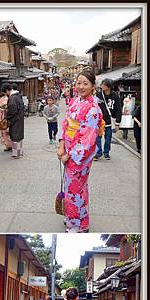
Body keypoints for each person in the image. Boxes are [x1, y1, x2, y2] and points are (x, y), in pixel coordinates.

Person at [56, 70, 102, 233]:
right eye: (78, 83)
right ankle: (73, 217)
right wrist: (61, 145)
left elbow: (88, 138)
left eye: (85, 83)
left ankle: (78, 224)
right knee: (73, 187)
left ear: (92, 86)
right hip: (68, 149)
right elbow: (66, 123)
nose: (81, 87)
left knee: (75, 188)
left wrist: (70, 154)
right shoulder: (75, 101)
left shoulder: (93, 109)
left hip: (80, 155)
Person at [94, 78, 122, 161]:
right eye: (102, 84)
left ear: (109, 87)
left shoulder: (115, 96)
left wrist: (117, 123)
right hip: (99, 121)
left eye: (104, 85)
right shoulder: (99, 95)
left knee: (108, 138)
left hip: (110, 121)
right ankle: (98, 153)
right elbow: (94, 107)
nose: (102, 86)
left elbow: (118, 109)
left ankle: (106, 152)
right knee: (98, 138)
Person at [6, 83, 25, 158]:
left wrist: (7, 116)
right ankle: (20, 152)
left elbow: (12, 110)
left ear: (7, 90)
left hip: (15, 120)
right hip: (20, 119)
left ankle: (16, 154)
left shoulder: (13, 98)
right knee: (19, 137)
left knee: (15, 137)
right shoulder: (18, 96)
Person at [0, 84, 13, 151]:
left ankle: (11, 145)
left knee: (8, 131)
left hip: (6, 115)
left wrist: (4, 108)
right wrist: (0, 108)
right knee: (3, 132)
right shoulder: (1, 99)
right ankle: (7, 145)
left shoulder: (10, 98)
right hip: (1, 115)